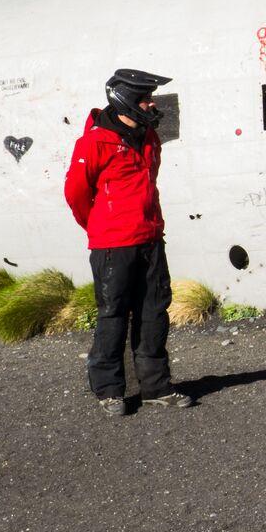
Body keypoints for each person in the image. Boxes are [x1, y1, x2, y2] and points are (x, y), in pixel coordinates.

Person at [63, 68, 184, 415]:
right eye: (145, 98)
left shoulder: (149, 138)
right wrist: (101, 227)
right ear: (126, 100)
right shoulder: (94, 143)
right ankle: (109, 391)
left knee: (153, 314)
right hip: (112, 245)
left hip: (149, 238)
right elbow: (75, 194)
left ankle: (156, 388)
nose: (151, 104)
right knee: (113, 315)